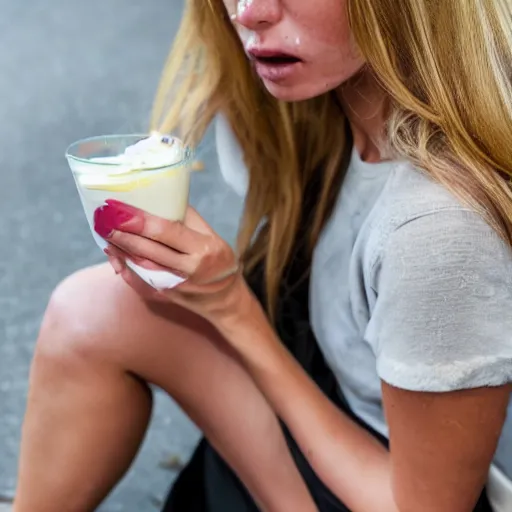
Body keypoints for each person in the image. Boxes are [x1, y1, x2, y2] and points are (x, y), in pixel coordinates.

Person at [13, 0, 512, 511]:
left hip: (376, 485)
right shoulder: (323, 107)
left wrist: (230, 307)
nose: (249, 12)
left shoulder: (439, 230)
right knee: (91, 312)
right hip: (320, 401)